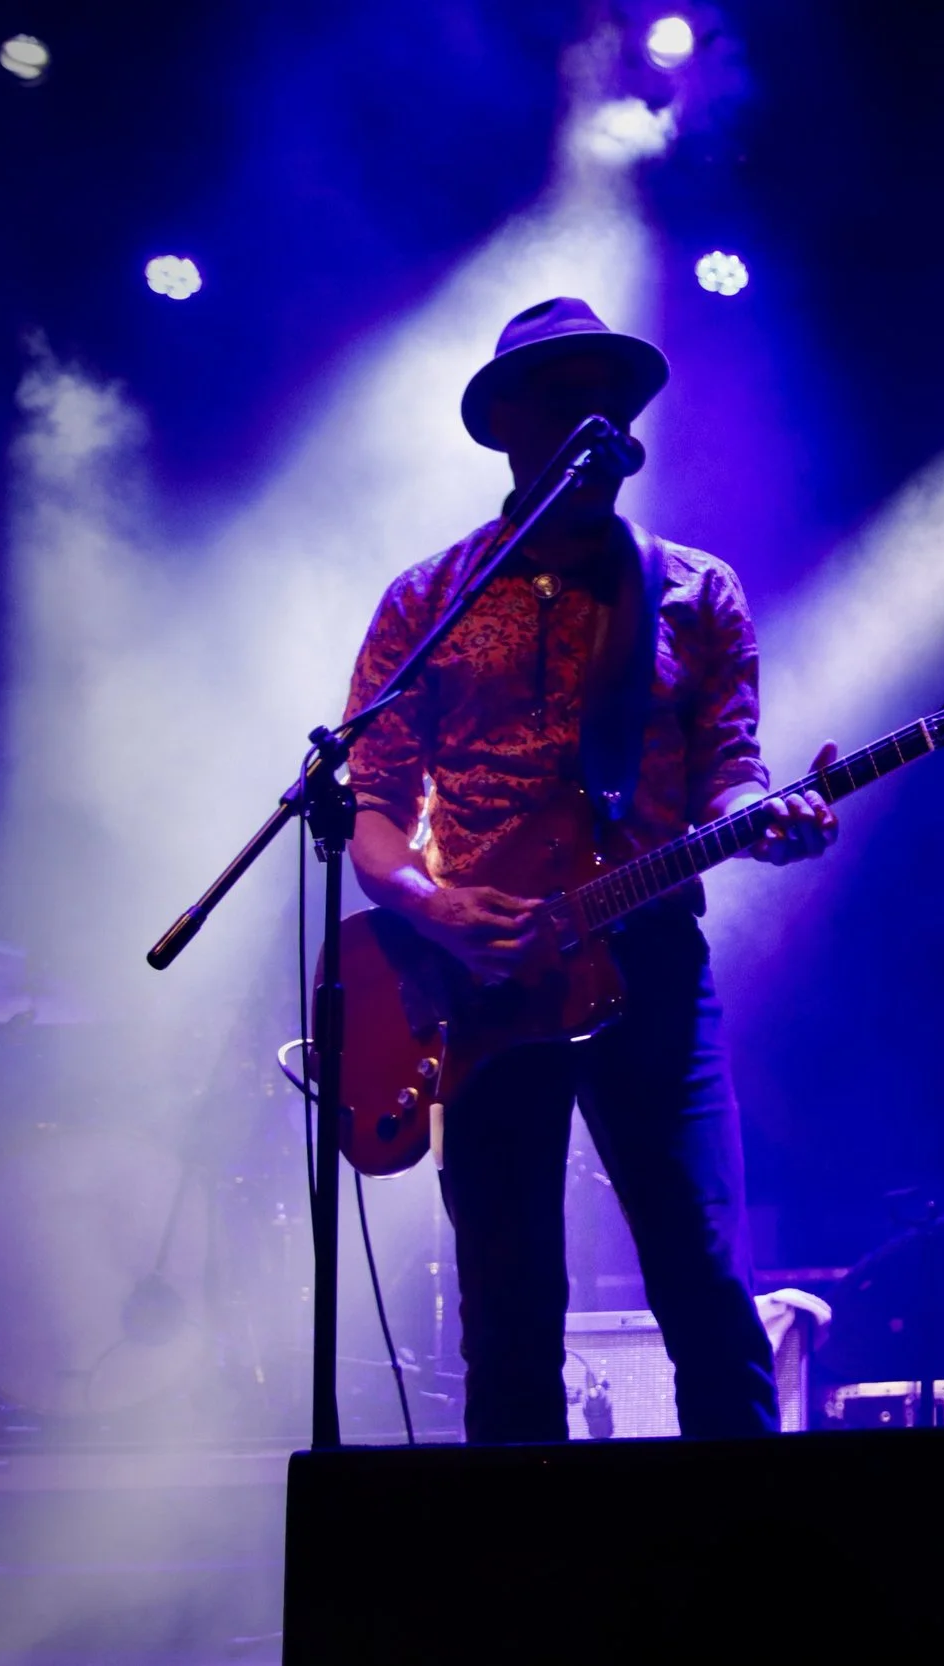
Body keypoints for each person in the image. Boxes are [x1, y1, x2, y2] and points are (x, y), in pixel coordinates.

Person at [342, 297, 836, 1443]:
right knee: (507, 1306)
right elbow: (371, 811)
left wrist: (763, 816)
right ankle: (522, 1593)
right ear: (511, 426)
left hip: (650, 957)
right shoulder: (428, 600)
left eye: (611, 395)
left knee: (703, 1276)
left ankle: (749, 1562)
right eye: (564, 394)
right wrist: (433, 904)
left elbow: (729, 768)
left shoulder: (690, 590)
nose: (594, 417)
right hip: (486, 981)